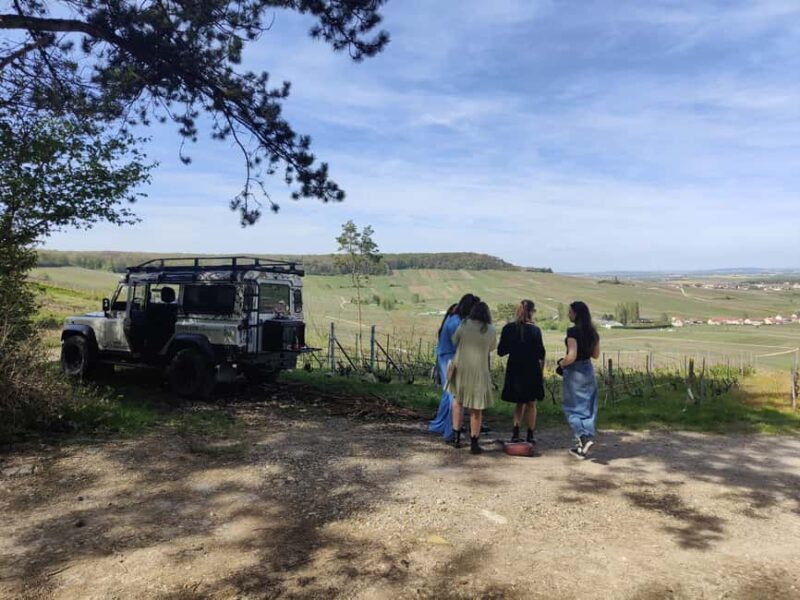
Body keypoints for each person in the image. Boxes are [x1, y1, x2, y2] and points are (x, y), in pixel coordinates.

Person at [448, 302, 497, 454]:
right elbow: (492, 347)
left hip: (461, 368)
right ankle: (474, 443)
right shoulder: (491, 329)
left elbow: (454, 340)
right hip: (479, 371)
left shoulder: (464, 324)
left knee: (458, 401)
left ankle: (456, 438)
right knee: (476, 408)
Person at [428, 295, 477, 441]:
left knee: (447, 393)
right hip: (450, 358)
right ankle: (450, 431)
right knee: (453, 394)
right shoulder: (457, 323)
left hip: (444, 355)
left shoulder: (452, 318)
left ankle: (440, 425)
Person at [557, 300, 601, 459]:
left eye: (570, 311)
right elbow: (595, 355)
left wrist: (561, 364)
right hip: (588, 371)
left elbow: (572, 356)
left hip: (575, 372)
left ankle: (582, 436)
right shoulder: (593, 333)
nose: (568, 314)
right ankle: (584, 443)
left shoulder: (572, 332)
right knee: (588, 407)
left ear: (576, 314)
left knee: (572, 407)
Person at [497, 299, 545, 444]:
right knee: (531, 403)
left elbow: (501, 351)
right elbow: (541, 353)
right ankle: (530, 434)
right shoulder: (535, 330)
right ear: (531, 312)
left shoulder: (508, 328)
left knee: (519, 402)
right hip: (531, 369)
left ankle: (515, 433)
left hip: (515, 368)